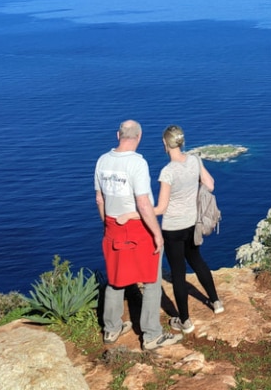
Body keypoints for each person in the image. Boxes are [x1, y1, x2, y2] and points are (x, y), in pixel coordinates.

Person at [120, 124, 223, 334]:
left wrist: (132, 214)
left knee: (178, 273)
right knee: (197, 261)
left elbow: (161, 208)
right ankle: (216, 302)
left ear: (165, 144)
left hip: (173, 228)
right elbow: (210, 184)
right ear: (181, 142)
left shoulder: (167, 172)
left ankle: (185, 321)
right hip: (193, 223)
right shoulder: (194, 160)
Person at [94, 120, 181, 351]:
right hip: (137, 227)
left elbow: (99, 199)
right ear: (139, 137)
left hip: (112, 225)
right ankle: (151, 334)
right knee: (151, 279)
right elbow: (143, 203)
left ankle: (111, 328)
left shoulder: (102, 161)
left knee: (115, 278)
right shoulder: (137, 163)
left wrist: (107, 225)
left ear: (118, 135)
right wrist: (157, 234)